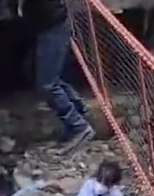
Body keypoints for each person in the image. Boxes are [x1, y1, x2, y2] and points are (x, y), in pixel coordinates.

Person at [22, 0, 95, 152]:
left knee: (46, 85)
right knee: (49, 80)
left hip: (53, 28)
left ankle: (78, 126)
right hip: (49, 26)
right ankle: (79, 112)